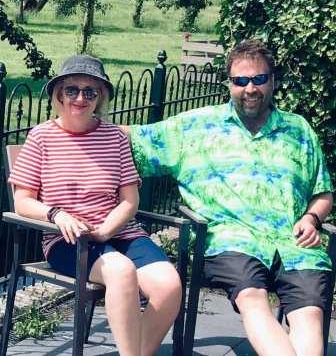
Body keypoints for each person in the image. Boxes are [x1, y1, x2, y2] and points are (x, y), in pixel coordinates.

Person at [121, 40, 333, 356]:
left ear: (272, 81)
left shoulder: (298, 129)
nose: (250, 88)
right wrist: (73, 121)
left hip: (294, 243)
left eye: (259, 79)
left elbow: (324, 192)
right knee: (252, 297)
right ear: (229, 83)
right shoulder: (195, 127)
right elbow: (133, 138)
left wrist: (312, 217)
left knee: (310, 313)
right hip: (231, 241)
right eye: (240, 81)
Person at [8, 55, 181, 356]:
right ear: (58, 94)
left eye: (91, 91)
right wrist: (56, 214)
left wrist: (106, 230)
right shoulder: (41, 137)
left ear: (100, 97)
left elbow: (130, 200)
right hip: (69, 239)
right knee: (121, 271)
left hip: (120, 232)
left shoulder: (114, 137)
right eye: (72, 89)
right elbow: (22, 202)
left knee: (169, 286)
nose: (80, 98)